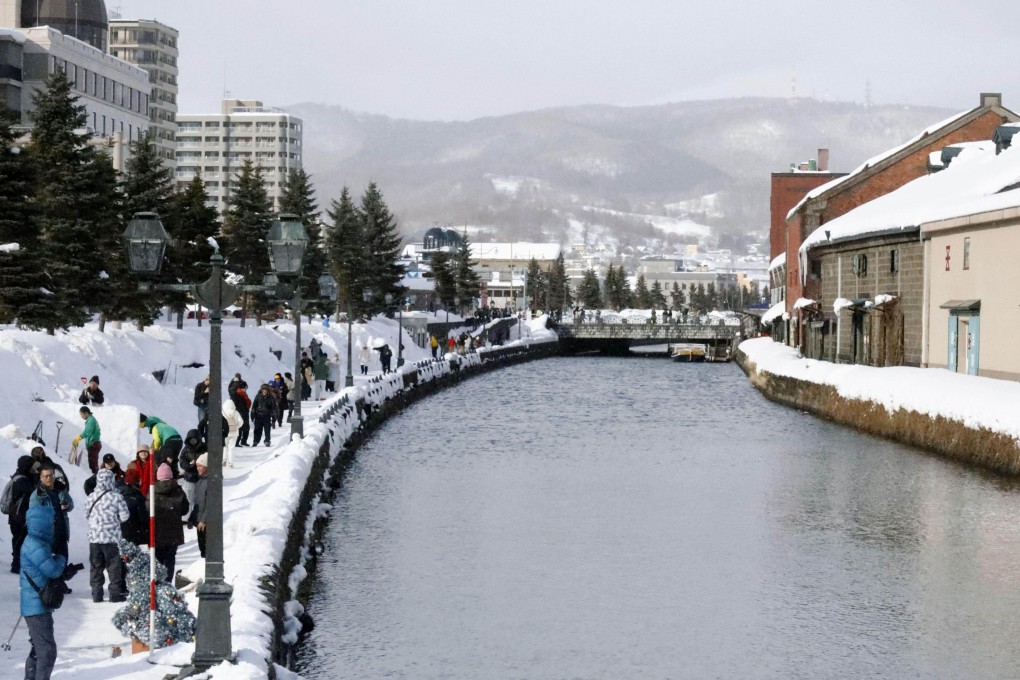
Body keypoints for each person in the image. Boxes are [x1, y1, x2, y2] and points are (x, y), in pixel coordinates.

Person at [20, 504, 67, 680]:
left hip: (36, 604)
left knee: (38, 649)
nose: (54, 525)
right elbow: (53, 570)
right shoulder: (35, 544)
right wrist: (61, 558)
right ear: (43, 523)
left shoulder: (36, 542)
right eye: (52, 522)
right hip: (36, 607)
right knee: (47, 652)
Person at [85, 469, 129, 603]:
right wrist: (113, 521)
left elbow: (86, 515)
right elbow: (125, 516)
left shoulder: (91, 497)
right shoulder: (117, 497)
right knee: (114, 567)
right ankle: (115, 594)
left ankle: (97, 594)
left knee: (96, 567)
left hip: (95, 538)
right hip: (112, 538)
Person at [154, 463, 189, 583]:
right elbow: (185, 510)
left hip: (157, 530)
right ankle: (168, 581)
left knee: (158, 557)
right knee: (170, 557)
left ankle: (158, 581)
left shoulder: (153, 491)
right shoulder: (178, 490)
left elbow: (148, 509)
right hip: (174, 531)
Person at [29, 464, 72, 559]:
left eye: (51, 475)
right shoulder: (37, 495)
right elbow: (33, 518)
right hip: (47, 537)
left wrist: (67, 506)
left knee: (62, 563)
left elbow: (71, 504)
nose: (49, 478)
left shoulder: (60, 489)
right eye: (46, 476)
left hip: (61, 534)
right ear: (41, 477)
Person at [7, 455, 35, 573]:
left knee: (19, 540)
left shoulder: (18, 477)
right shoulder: (22, 480)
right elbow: (32, 491)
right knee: (20, 540)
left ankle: (17, 563)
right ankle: (17, 565)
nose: (33, 469)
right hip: (19, 516)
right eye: (31, 466)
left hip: (16, 515)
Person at [139, 414, 184, 479]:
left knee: (158, 457)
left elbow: (157, 441)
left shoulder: (155, 428)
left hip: (170, 441)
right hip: (179, 440)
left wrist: (155, 450)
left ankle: (161, 475)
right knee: (171, 457)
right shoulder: (161, 425)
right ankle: (174, 474)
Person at [118, 466, 148, 546]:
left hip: (120, 531)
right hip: (135, 531)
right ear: (137, 481)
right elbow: (143, 517)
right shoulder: (138, 497)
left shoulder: (118, 495)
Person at [188, 454, 209, 559]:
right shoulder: (199, 481)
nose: (198, 468)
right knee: (202, 548)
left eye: (200, 466)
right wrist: (192, 518)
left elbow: (211, 503)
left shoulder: (210, 482)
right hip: (199, 521)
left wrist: (203, 520)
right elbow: (197, 502)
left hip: (205, 522)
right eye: (197, 466)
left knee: (206, 549)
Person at [178, 429, 205, 504]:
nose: (192, 442)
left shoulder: (205, 448)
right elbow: (182, 460)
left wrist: (199, 463)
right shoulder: (186, 449)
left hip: (202, 477)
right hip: (190, 476)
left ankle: (197, 514)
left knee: (199, 499)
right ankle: (188, 514)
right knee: (188, 498)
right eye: (191, 440)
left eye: (194, 440)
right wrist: (188, 466)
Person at [72, 406, 102, 473]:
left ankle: (96, 478)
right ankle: (95, 476)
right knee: (93, 463)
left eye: (81, 414)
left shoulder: (91, 420)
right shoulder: (91, 419)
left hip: (94, 444)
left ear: (86, 413)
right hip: (94, 444)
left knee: (93, 465)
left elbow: (87, 432)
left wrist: (78, 438)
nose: (81, 416)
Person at [221, 399, 244, 467]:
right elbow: (241, 422)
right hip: (234, 432)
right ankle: (231, 462)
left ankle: (224, 460)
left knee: (225, 446)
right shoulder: (235, 412)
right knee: (231, 448)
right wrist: (237, 426)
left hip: (225, 432)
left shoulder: (222, 412)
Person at [231, 382, 251, 447]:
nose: (246, 389)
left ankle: (241, 441)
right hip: (241, 412)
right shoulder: (238, 394)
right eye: (245, 388)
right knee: (241, 427)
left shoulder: (241, 394)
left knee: (244, 427)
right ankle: (239, 442)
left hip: (243, 412)